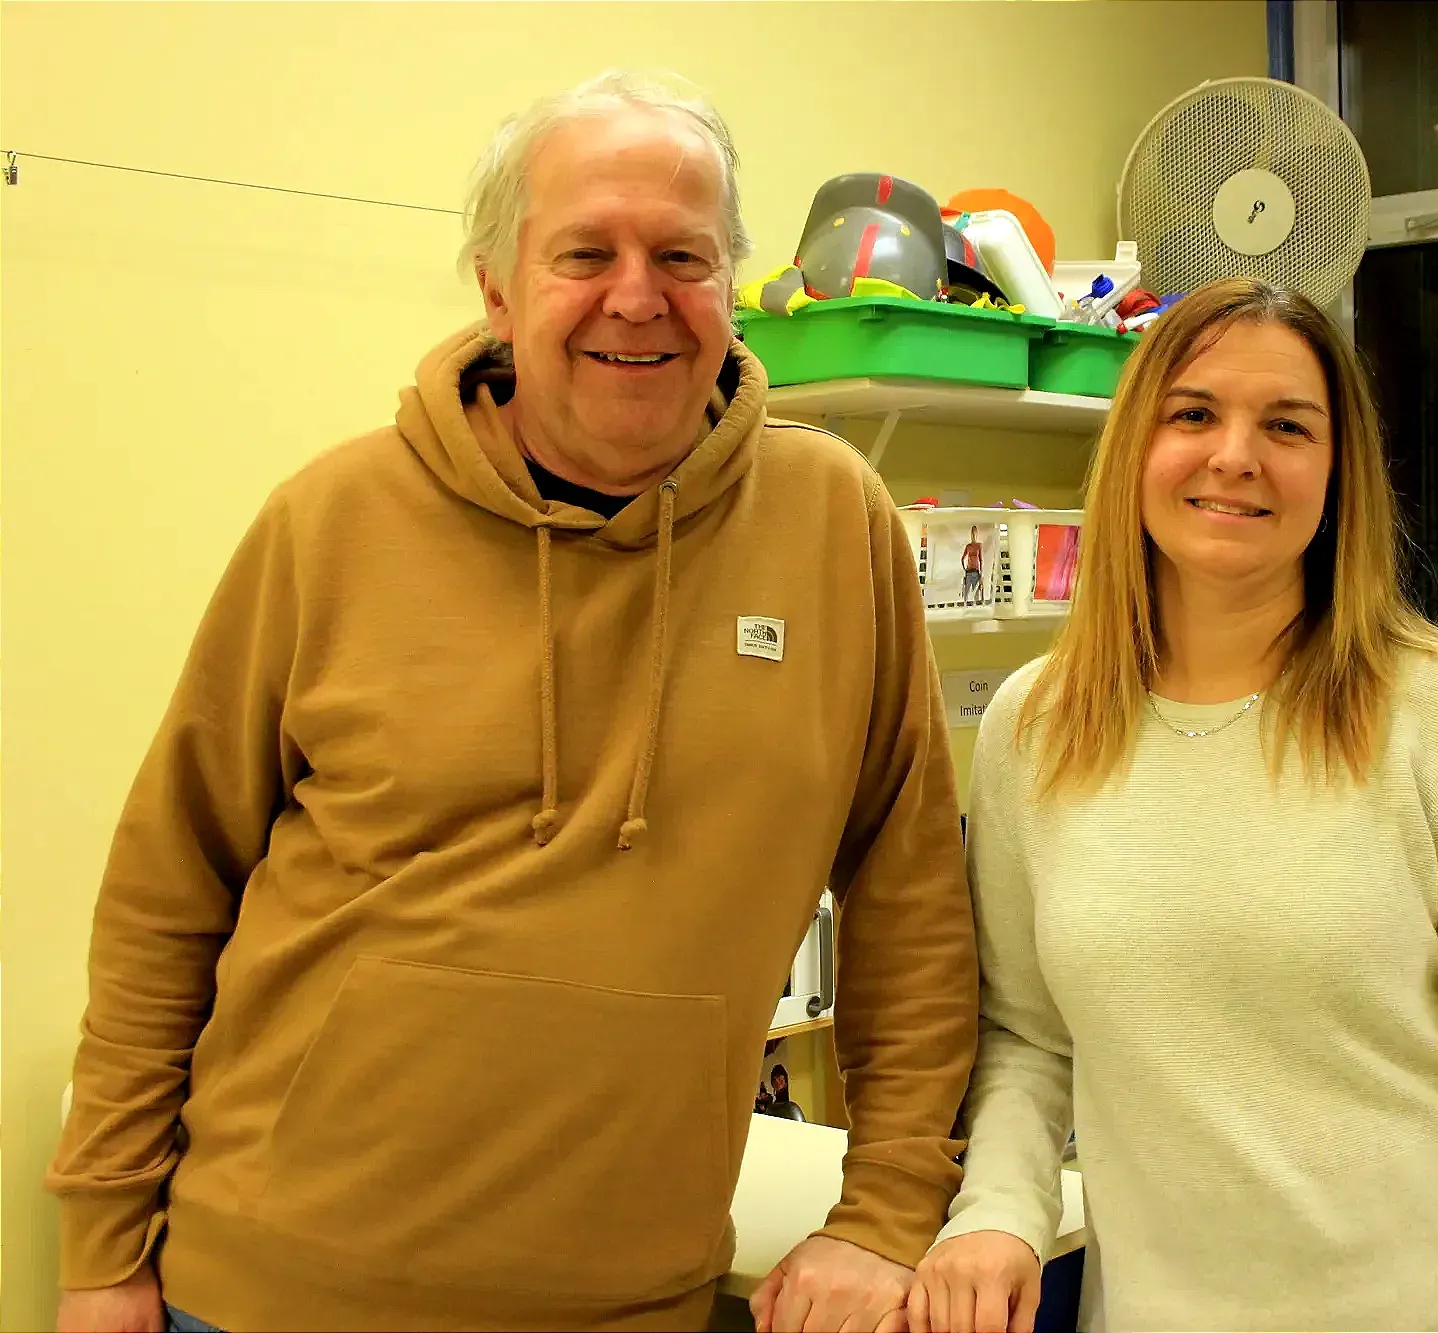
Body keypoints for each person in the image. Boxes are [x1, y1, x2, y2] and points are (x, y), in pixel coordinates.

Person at [49, 69, 976, 1333]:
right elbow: (168, 893)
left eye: (682, 255)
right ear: (496, 285)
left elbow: (911, 891)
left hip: (629, 1297)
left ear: (735, 285)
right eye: (583, 252)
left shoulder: (833, 528)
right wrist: (102, 1251)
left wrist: (887, 1206)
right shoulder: (330, 524)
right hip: (270, 1287)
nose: (636, 296)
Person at [907, 278, 1438, 1333]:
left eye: (1286, 425)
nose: (1234, 455)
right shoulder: (1039, 725)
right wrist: (994, 1210)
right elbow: (1027, 1037)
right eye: (1194, 413)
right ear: (1134, 450)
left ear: (1337, 471)